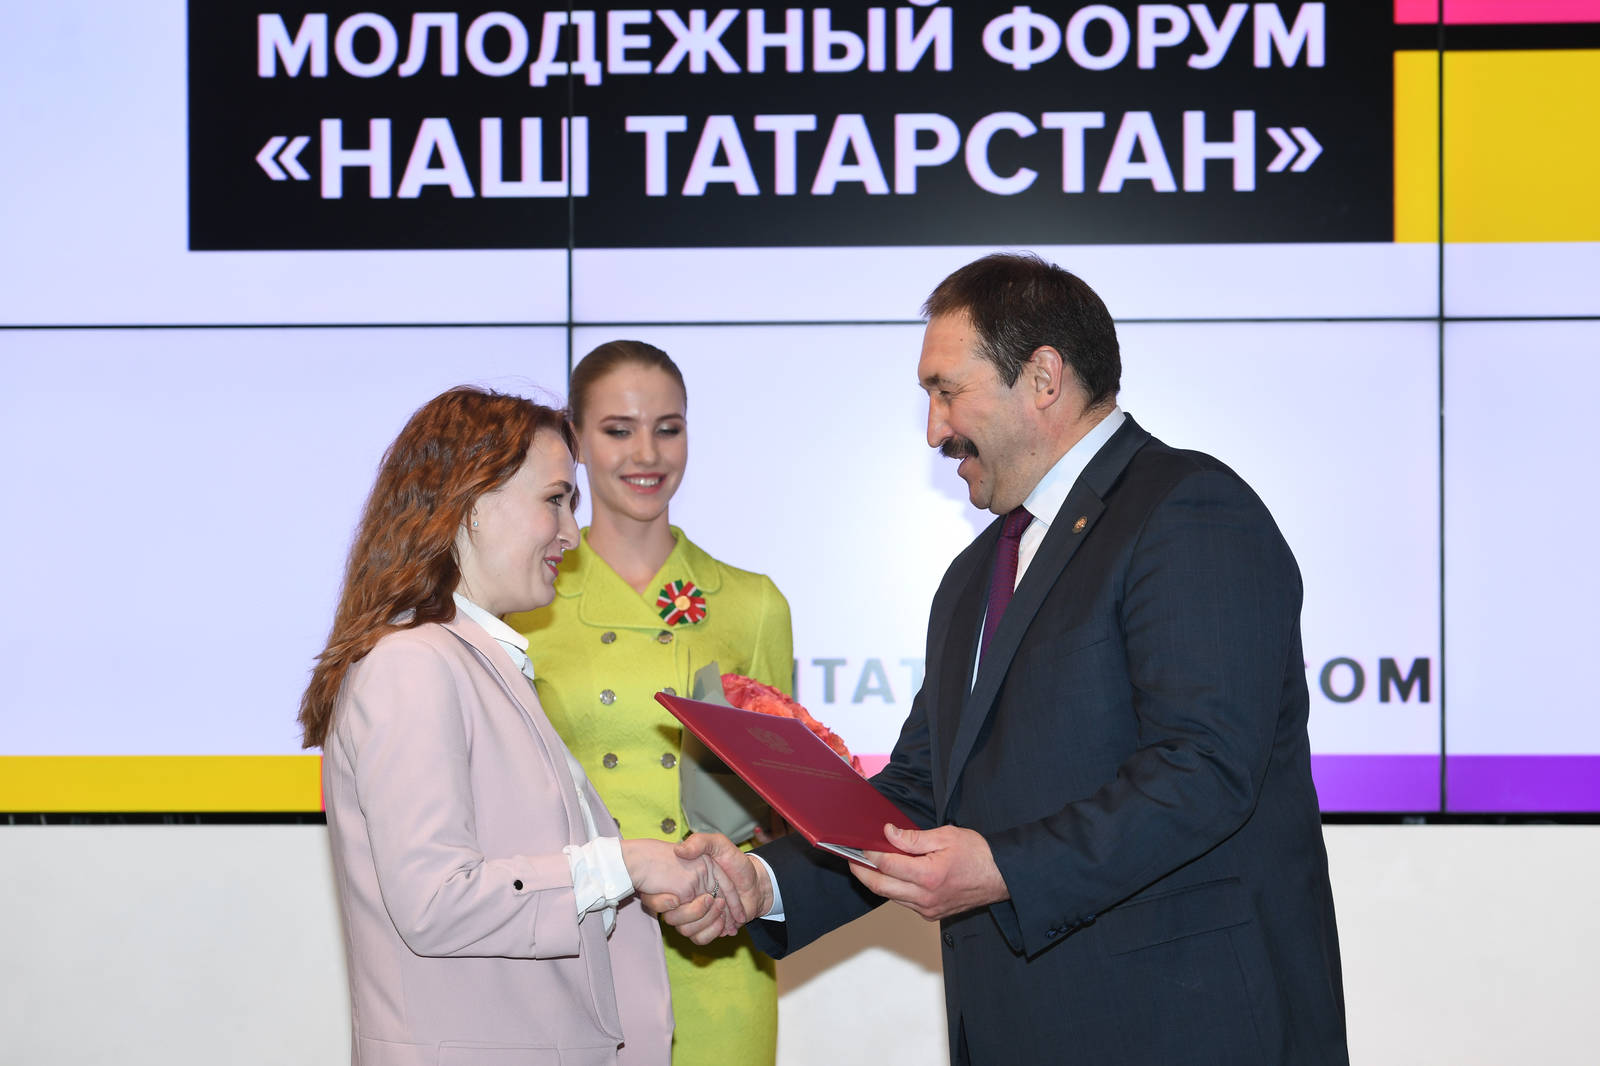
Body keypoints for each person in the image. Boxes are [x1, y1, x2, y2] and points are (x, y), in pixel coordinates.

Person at [657, 254, 1351, 1065]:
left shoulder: (1187, 509)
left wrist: (1003, 869)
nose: (934, 429)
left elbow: (1204, 769)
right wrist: (764, 883)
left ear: (1044, 378)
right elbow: (920, 794)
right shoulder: (974, 575)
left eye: (947, 390)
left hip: (1184, 1028)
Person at [297, 386, 744, 1066]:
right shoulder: (412, 664)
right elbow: (436, 900)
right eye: (555, 500)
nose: (572, 534)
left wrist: (639, 873)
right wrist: (625, 863)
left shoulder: (470, 661)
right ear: (472, 504)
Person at [507, 341, 794, 1066]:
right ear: (575, 441)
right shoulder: (528, 602)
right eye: (618, 429)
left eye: (669, 428)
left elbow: (779, 806)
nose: (647, 453)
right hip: (576, 944)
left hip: (717, 947)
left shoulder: (753, 603)